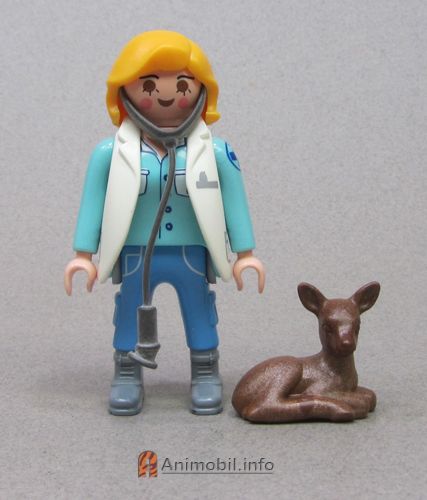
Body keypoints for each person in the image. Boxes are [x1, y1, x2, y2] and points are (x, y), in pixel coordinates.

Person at [64, 30, 265, 416]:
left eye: (183, 84)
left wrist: (245, 253)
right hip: (135, 254)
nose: (168, 96)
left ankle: (205, 371)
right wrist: (83, 255)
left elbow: (234, 200)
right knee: (129, 310)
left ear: (203, 90)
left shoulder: (215, 151)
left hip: (192, 253)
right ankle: (127, 373)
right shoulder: (110, 152)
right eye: (149, 85)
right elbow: (93, 202)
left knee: (199, 308)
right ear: (123, 91)